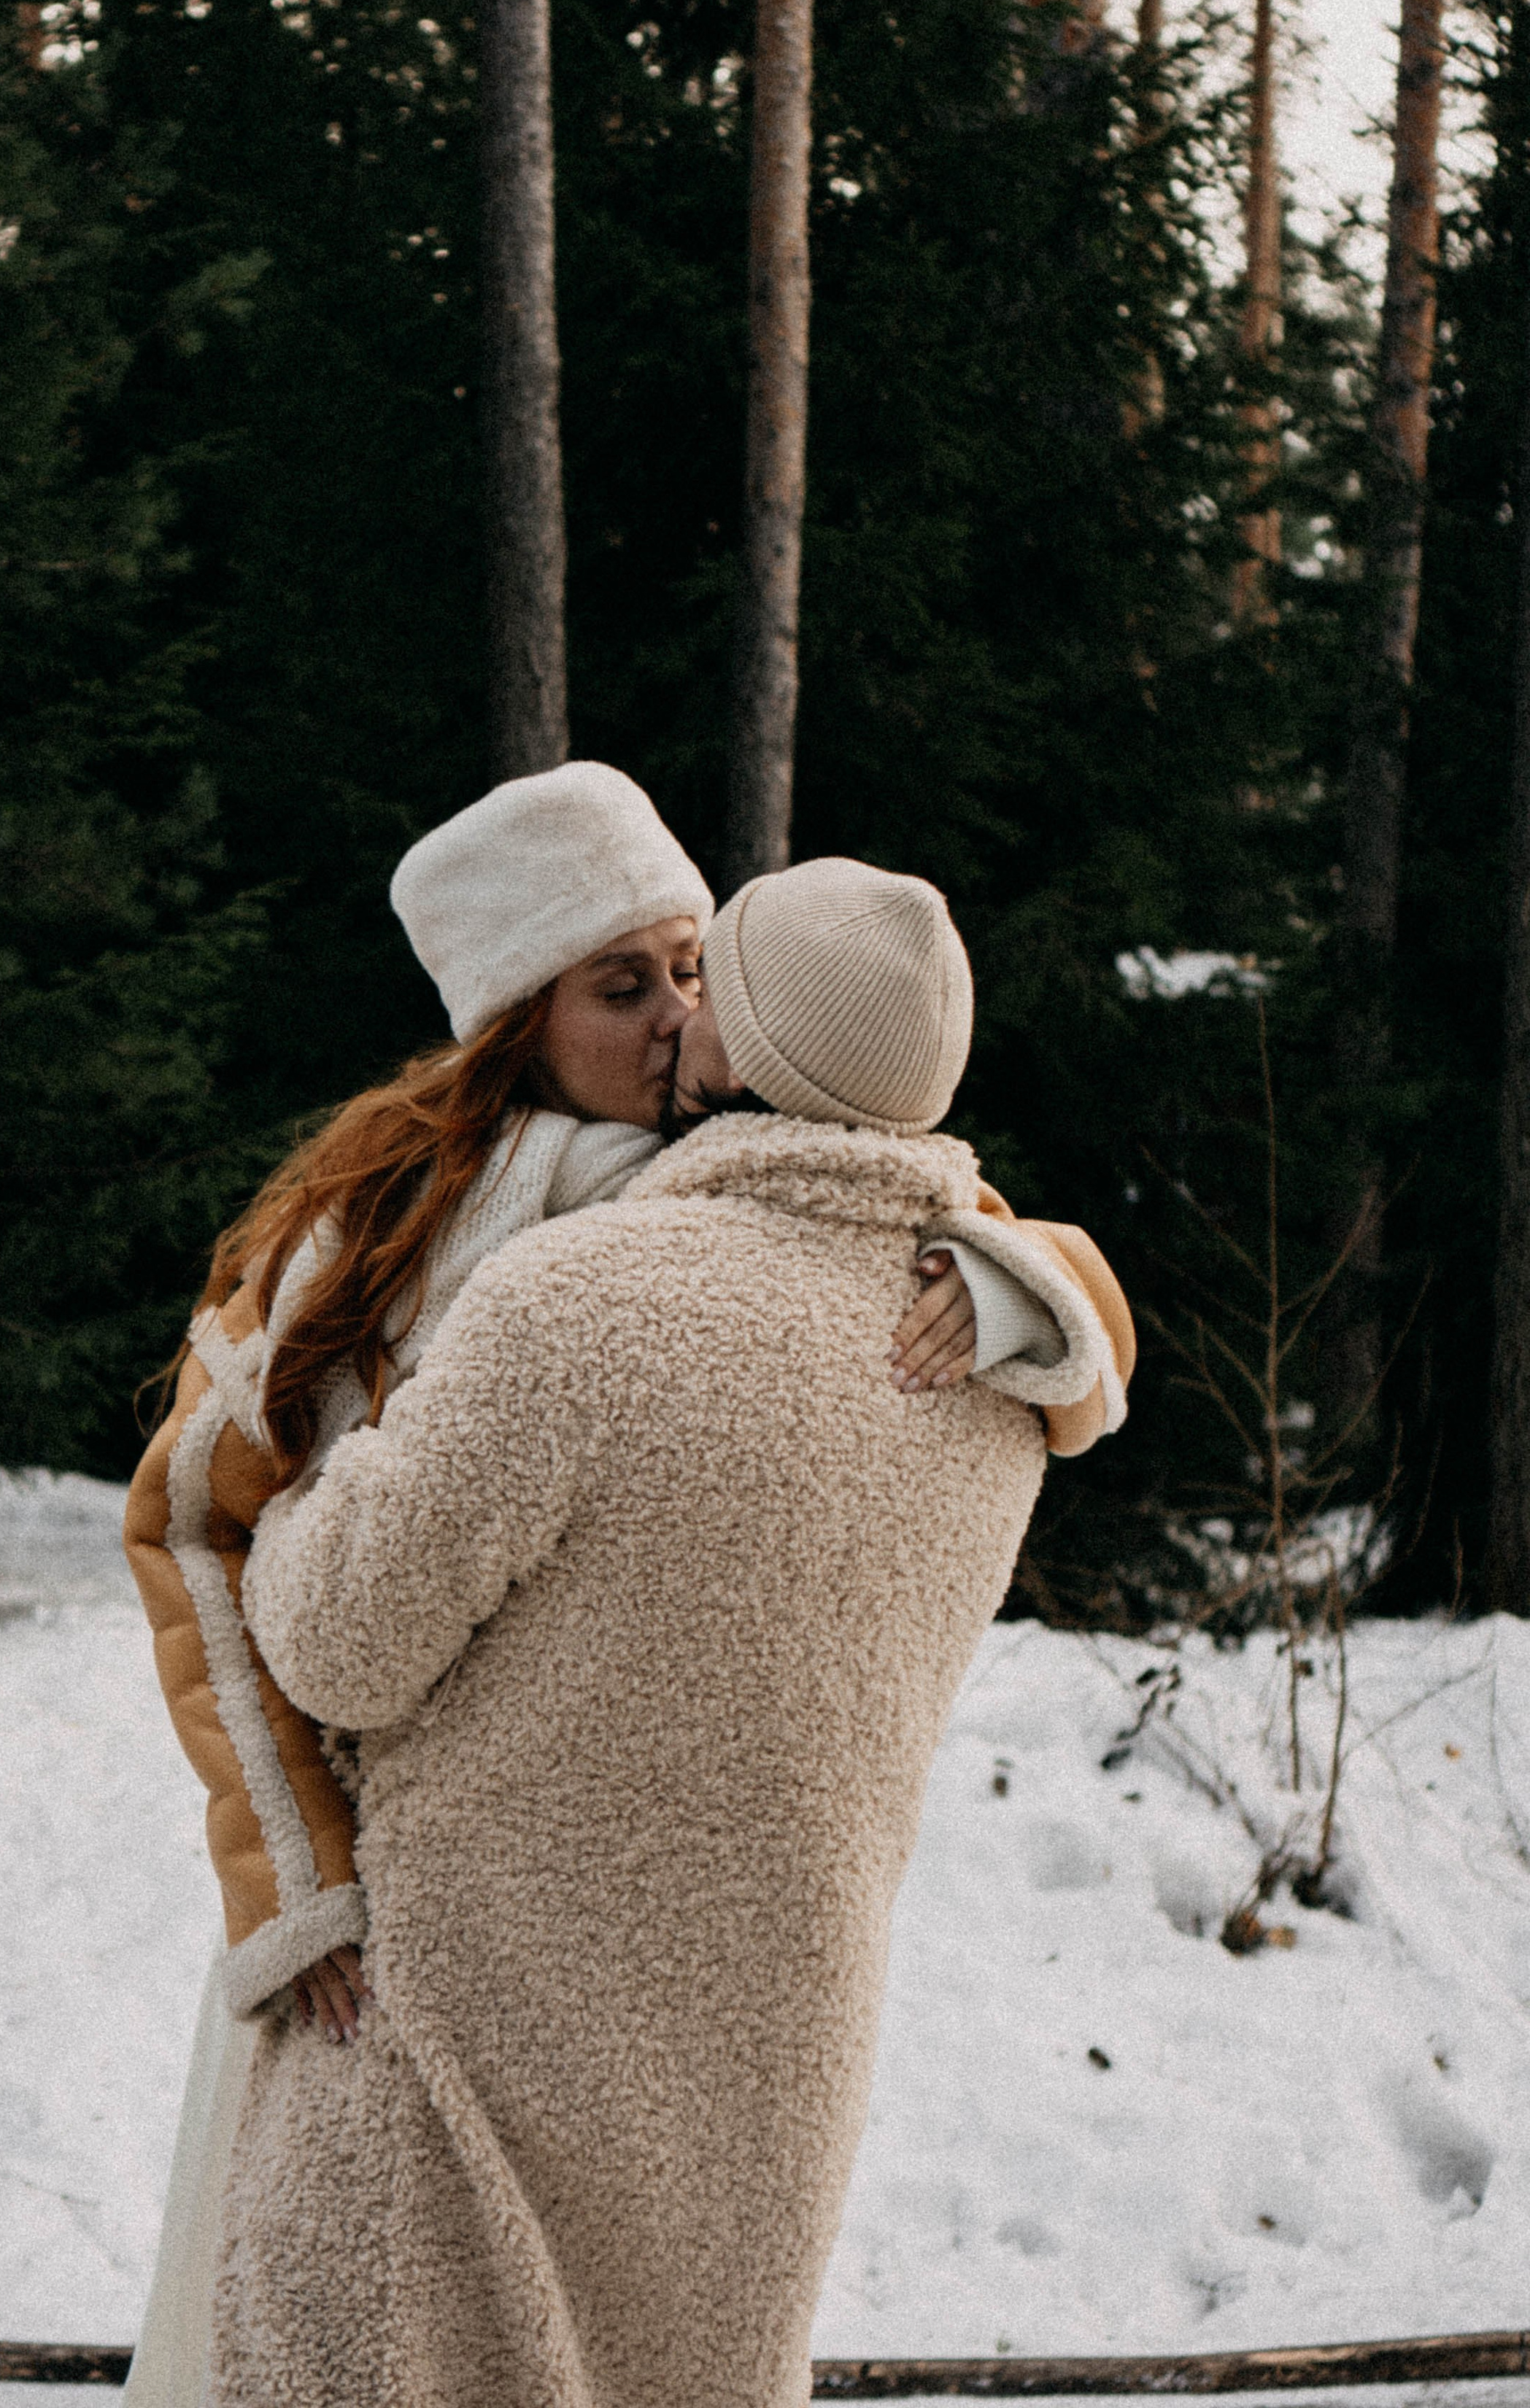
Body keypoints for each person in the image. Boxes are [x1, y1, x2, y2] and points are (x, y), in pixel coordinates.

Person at [123, 774, 1128, 2407]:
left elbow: (1044, 1280)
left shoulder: (770, 1195)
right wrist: (295, 1878)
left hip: (637, 1964)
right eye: (619, 987)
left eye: (688, 971)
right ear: (512, 1023)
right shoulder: (371, 1236)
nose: (671, 1020)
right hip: (368, 1937)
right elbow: (189, 1532)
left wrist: (1024, 1288)